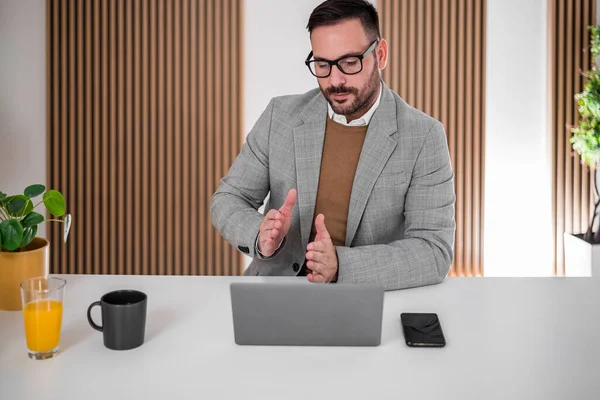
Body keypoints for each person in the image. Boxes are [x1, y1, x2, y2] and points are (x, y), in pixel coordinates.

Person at [211, 0, 456, 291]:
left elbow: (433, 251)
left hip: (366, 299)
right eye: (323, 65)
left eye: (350, 62)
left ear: (380, 54)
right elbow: (228, 199)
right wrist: (259, 235)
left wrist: (341, 265)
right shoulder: (280, 117)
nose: (335, 81)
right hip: (274, 292)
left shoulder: (424, 136)